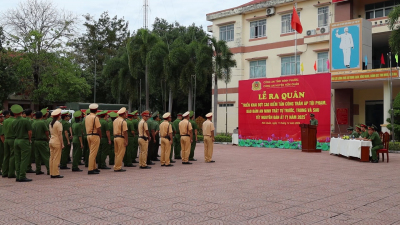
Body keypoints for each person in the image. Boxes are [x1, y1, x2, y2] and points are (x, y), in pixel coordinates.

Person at [11, 104, 33, 182]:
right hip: (24, 140)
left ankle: (18, 175)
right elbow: (30, 132)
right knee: (24, 159)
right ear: (21, 112)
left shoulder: (13, 121)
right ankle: (22, 176)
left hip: (16, 140)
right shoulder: (25, 120)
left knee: (17, 159)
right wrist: (29, 140)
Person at [85, 104, 102, 175]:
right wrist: (100, 136)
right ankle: (90, 169)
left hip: (88, 135)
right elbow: (98, 128)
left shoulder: (87, 117)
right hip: (94, 135)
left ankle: (94, 167)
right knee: (93, 153)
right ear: (96, 110)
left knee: (92, 152)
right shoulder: (95, 117)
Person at [49, 109, 64, 178]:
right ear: (58, 116)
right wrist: (62, 143)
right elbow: (60, 135)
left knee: (52, 157)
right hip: (57, 142)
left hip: (51, 141)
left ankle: (51, 172)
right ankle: (56, 173)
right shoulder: (58, 123)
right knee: (56, 158)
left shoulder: (50, 123)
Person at [113, 107, 128, 172]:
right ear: (123, 114)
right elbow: (125, 132)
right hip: (121, 138)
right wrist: (126, 140)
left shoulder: (115, 120)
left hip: (115, 137)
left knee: (116, 153)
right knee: (120, 153)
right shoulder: (123, 121)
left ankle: (116, 166)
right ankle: (118, 167)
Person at [2, 110, 16, 179]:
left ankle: (4, 172)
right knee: (12, 156)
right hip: (13, 139)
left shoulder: (5, 121)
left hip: (6, 139)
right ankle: (11, 173)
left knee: (6, 156)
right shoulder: (14, 121)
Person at [24, 109, 36, 174]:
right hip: (29, 139)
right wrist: (30, 139)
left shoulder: (23, 120)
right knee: (29, 154)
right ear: (30, 114)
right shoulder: (30, 121)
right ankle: (28, 167)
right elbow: (30, 131)